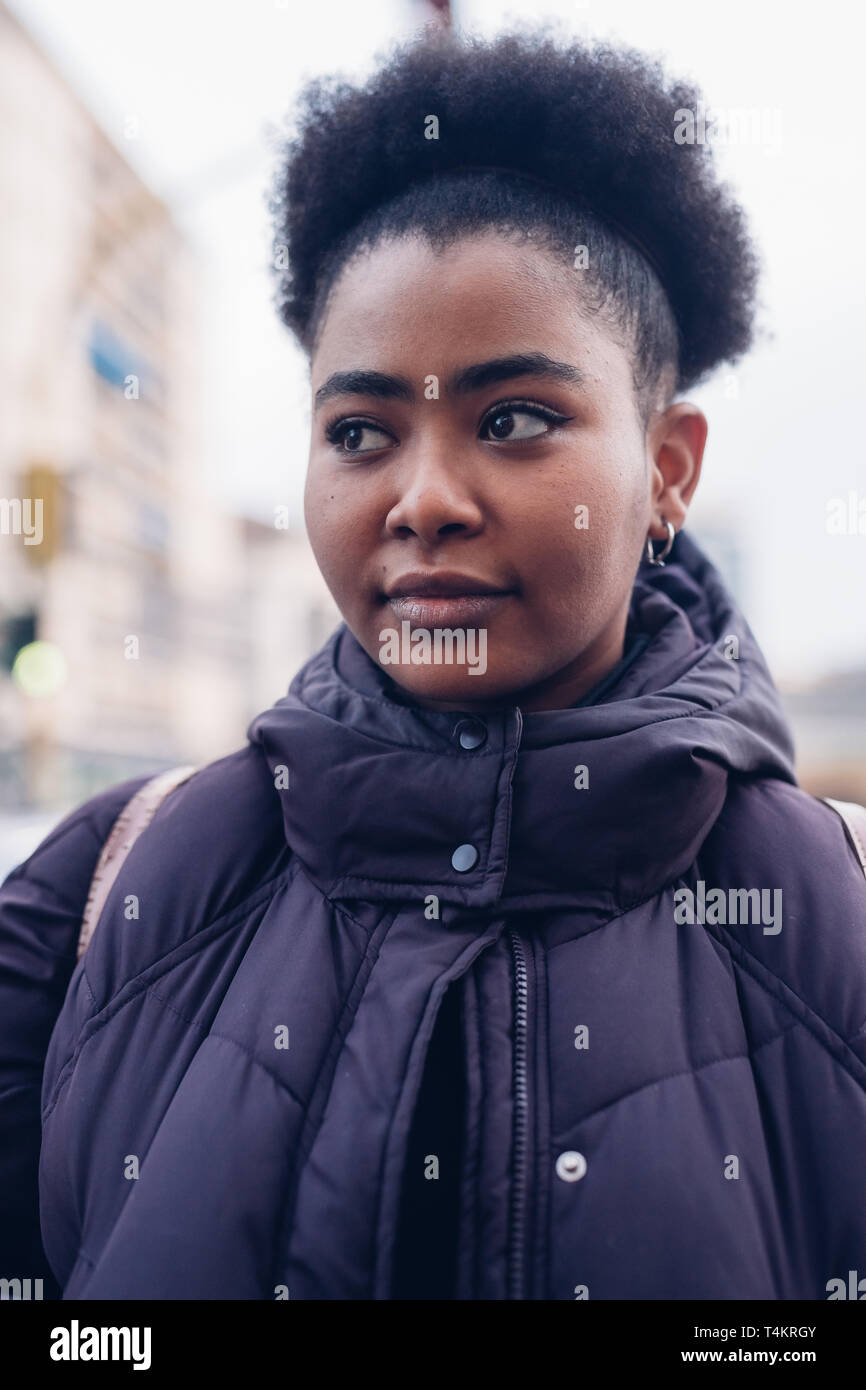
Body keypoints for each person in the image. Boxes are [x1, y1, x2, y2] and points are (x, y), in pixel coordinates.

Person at [2, 25, 866, 1302]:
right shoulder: (116, 881)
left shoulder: (830, 924)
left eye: (511, 419)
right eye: (360, 429)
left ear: (666, 469)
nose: (421, 498)